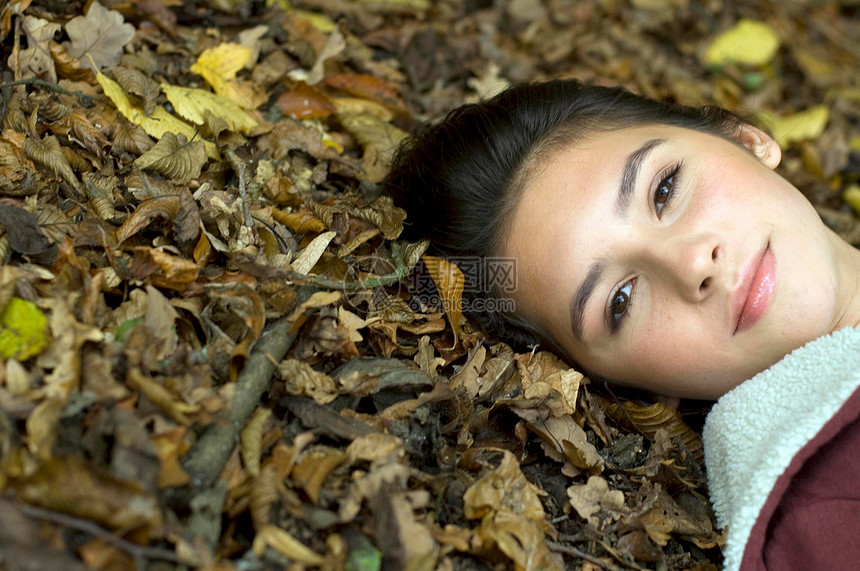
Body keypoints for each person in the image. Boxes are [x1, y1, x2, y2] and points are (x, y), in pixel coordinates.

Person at [383, 80, 860, 570]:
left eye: (665, 189)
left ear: (744, 139)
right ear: (633, 390)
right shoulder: (821, 523)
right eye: (620, 302)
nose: (693, 262)